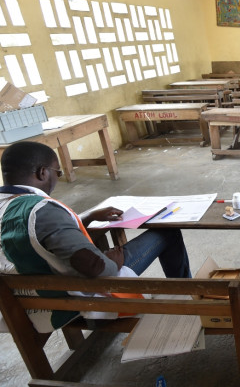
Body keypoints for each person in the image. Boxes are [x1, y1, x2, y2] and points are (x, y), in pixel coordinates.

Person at [0, 141, 192, 333]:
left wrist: (89, 217)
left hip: (21, 304)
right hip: (67, 298)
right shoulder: (40, 210)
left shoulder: (8, 205)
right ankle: (187, 298)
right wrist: (112, 264)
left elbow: (40, 234)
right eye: (57, 172)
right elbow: (97, 268)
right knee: (167, 233)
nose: (57, 179)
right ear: (42, 172)